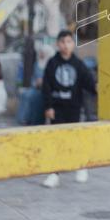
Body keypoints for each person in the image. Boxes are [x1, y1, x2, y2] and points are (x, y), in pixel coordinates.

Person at [41, 30, 97, 188]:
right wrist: (48, 106)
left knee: (75, 139)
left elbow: (88, 82)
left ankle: (81, 166)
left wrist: (98, 89)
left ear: (73, 44)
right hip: (57, 109)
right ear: (58, 44)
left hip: (73, 108)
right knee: (57, 141)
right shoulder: (52, 63)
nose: (66, 45)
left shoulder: (78, 64)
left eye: (69, 42)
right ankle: (53, 173)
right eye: (62, 42)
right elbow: (46, 87)